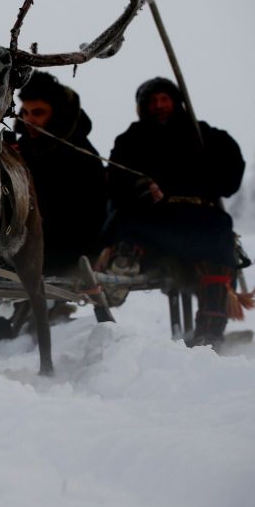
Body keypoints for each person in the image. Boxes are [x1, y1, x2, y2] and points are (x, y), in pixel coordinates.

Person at [0, 72, 108, 347]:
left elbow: (85, 220)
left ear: (59, 114)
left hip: (67, 246)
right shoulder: (23, 147)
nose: (29, 120)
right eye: (25, 112)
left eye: (38, 113)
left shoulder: (82, 157)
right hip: (26, 239)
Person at [105, 77, 246, 345]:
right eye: (153, 101)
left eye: (165, 99)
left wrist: (207, 174)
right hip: (153, 220)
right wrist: (141, 188)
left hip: (202, 221)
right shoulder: (131, 140)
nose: (159, 105)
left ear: (177, 102)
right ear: (143, 106)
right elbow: (115, 180)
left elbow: (231, 177)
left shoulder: (206, 135)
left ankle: (209, 332)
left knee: (219, 252)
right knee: (126, 230)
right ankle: (120, 273)